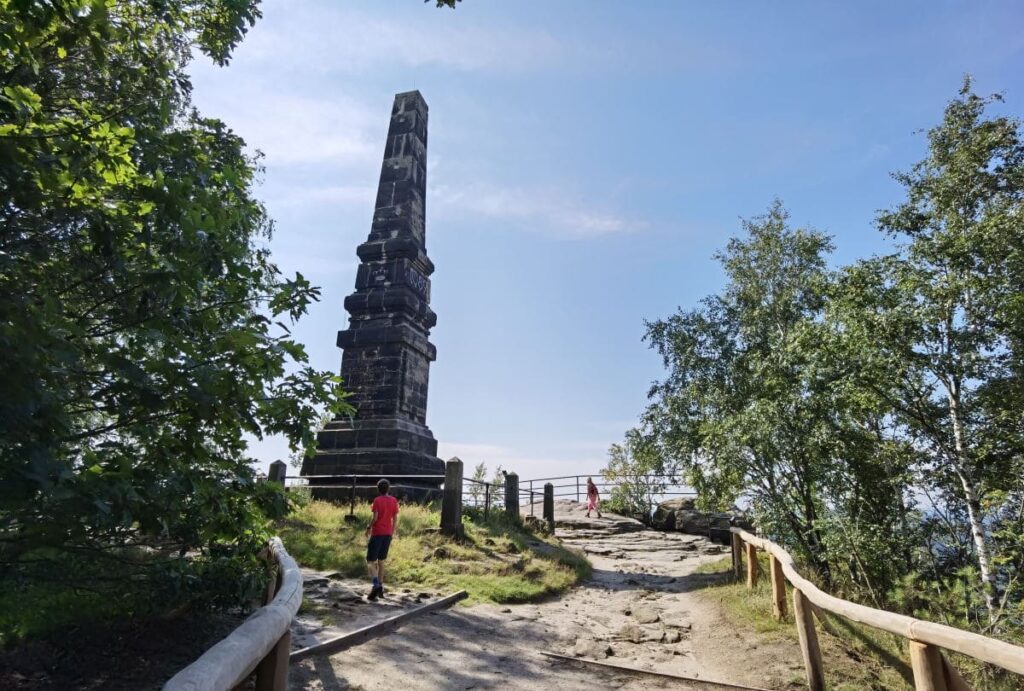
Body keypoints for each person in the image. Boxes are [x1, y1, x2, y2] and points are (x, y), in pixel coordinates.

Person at [365, 478, 399, 600]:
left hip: (377, 533)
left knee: (370, 561)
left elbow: (375, 517)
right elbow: (395, 519)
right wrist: (392, 532)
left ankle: (375, 584)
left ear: (378, 489)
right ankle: (381, 588)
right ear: (388, 488)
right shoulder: (394, 500)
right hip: (388, 534)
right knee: (381, 561)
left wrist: (368, 527)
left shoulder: (377, 500)